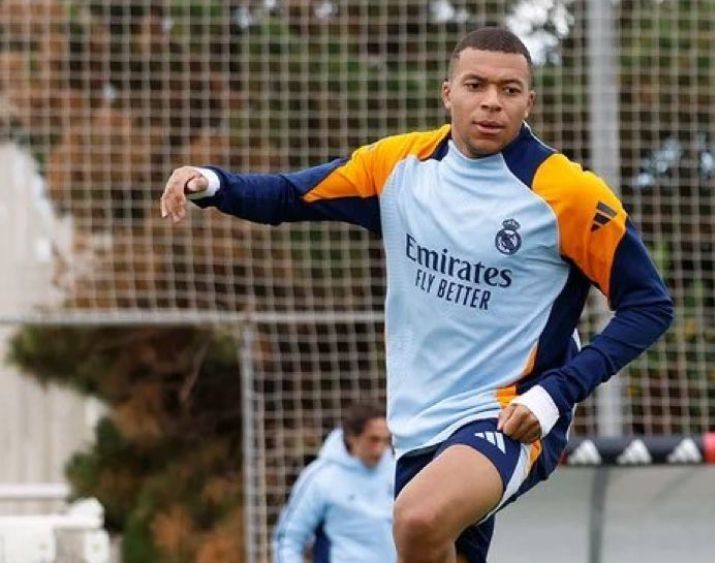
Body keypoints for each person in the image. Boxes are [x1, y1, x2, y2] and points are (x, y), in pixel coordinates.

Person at [161, 27, 673, 563]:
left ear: (529, 101)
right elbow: (292, 194)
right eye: (476, 84)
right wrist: (213, 183)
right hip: (416, 424)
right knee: (427, 534)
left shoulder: (568, 194)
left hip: (506, 412)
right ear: (447, 92)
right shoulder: (397, 168)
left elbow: (648, 305)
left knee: (417, 518)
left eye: (510, 89)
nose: (492, 102)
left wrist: (554, 394)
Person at [272, 403, 395, 563]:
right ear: (352, 437)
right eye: (373, 440)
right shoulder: (320, 477)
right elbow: (288, 539)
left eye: (385, 441)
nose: (379, 449)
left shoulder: (395, 472)